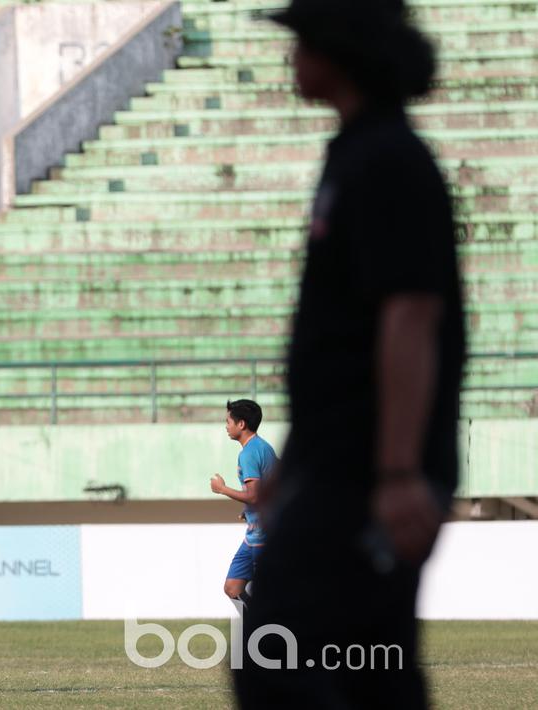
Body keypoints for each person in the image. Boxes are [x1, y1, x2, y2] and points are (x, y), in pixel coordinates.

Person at [234, 1, 466, 707]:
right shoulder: (357, 150)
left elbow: (410, 316)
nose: (291, 55)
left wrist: (396, 473)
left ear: (339, 50)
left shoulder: (388, 160)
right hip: (335, 464)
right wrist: (298, 460)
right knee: (368, 671)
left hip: (366, 472)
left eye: (301, 39)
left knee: (280, 661)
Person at [210, 400, 277, 611]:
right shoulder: (263, 447)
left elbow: (255, 496)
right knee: (232, 587)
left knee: (265, 590)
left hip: (264, 533)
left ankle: (267, 634)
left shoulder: (248, 453)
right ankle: (256, 630)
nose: (226, 426)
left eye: (228, 421)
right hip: (254, 532)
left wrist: (222, 489)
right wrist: (249, 510)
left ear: (241, 424)